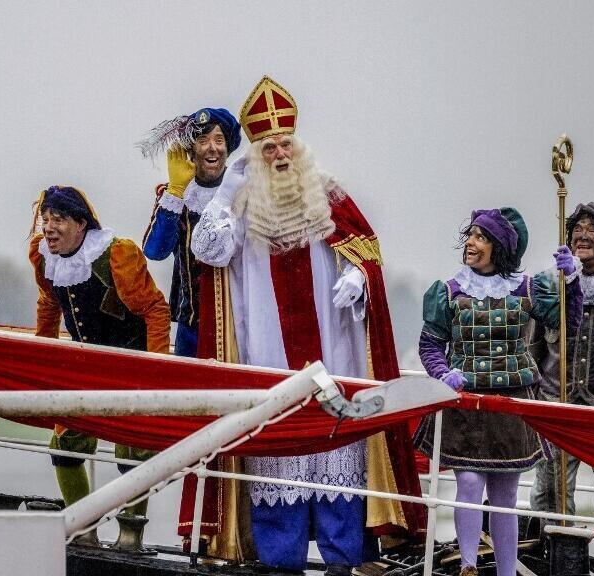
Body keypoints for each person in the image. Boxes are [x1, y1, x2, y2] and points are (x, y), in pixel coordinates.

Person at [191, 75, 408, 575]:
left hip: (337, 357)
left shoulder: (327, 194)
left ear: (299, 145)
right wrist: (224, 193)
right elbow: (208, 252)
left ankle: (344, 562)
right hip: (266, 356)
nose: (279, 154)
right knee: (278, 461)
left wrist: (357, 276)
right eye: (268, 147)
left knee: (337, 458)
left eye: (286, 143)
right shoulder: (241, 205)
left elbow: (367, 249)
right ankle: (279, 564)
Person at [416, 207, 583, 576]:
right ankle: (470, 566)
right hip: (468, 404)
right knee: (470, 483)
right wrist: (443, 373)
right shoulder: (449, 290)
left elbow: (567, 326)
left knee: (506, 495)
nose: (471, 243)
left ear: (499, 247)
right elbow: (430, 345)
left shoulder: (527, 288)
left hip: (512, 402)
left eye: (480, 237)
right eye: (470, 235)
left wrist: (571, 281)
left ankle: (507, 571)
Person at [28, 185, 171, 546]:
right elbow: (49, 303)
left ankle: (131, 533)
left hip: (130, 362)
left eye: (58, 219)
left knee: (133, 450)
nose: (48, 227)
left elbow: (156, 309)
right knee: (64, 445)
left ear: (81, 223)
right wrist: (40, 355)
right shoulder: (45, 257)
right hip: (83, 365)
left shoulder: (116, 255)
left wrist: (157, 367)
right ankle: (84, 528)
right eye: (45, 219)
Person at [529, 201, 594, 558]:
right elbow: (533, 347)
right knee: (551, 490)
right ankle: (554, 560)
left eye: (592, 228)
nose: (583, 235)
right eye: (577, 228)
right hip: (556, 403)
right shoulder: (551, 284)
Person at [140, 107, 242, 358]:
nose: (212, 148)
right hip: (191, 328)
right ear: (191, 150)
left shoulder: (244, 191)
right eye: (203, 140)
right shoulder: (175, 195)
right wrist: (175, 191)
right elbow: (155, 251)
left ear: (227, 149)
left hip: (237, 322)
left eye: (219, 140)